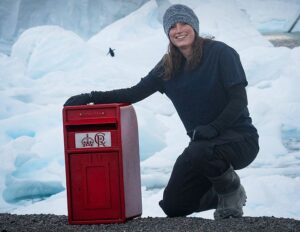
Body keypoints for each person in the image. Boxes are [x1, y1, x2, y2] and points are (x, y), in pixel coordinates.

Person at [64, 4, 259, 220]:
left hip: (239, 140)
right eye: (172, 26)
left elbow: (239, 100)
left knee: (200, 150)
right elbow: (134, 93)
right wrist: (91, 96)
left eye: (184, 23)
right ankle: (223, 194)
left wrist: (214, 128)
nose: (179, 29)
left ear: (194, 26)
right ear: (168, 33)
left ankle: (229, 190)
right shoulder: (168, 67)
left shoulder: (221, 53)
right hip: (202, 146)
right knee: (174, 206)